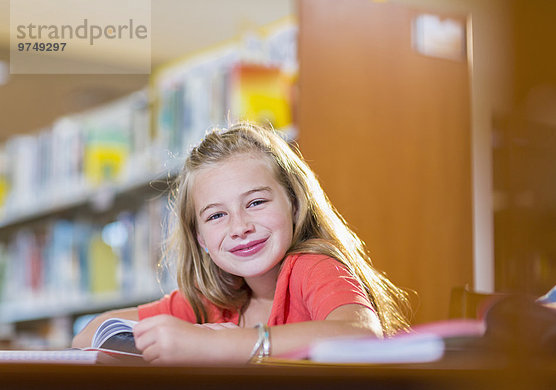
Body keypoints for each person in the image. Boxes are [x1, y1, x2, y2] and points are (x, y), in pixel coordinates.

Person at [72, 122, 412, 364]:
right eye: (216, 216)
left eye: (256, 203)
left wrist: (223, 344)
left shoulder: (312, 267)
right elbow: (88, 335)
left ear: (295, 204)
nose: (240, 227)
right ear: (201, 239)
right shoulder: (214, 298)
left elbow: (363, 334)